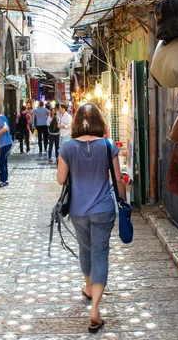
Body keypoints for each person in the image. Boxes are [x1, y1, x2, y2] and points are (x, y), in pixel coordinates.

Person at [56, 103, 126, 333]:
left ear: (75, 123)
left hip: (78, 209)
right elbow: (118, 179)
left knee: (85, 250)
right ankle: (95, 308)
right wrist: (124, 202)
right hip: (103, 209)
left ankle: (88, 286)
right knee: (101, 253)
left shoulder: (67, 147)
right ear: (100, 122)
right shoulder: (107, 146)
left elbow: (60, 179)